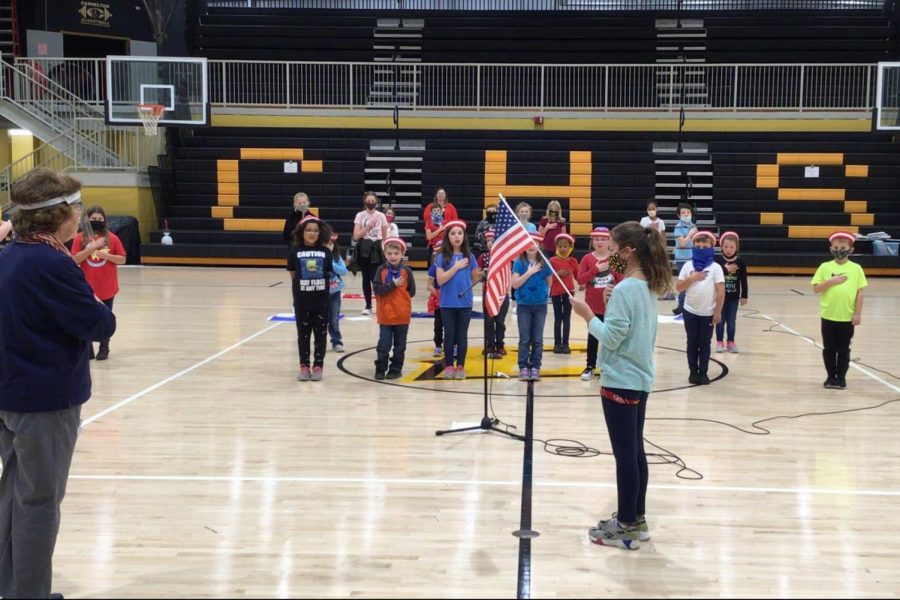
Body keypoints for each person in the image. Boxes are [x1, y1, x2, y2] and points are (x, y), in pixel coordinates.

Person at [0, 168, 116, 598]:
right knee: (38, 504)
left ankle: (10, 585)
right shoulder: (51, 263)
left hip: (11, 393)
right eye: (77, 208)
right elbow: (99, 322)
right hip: (43, 401)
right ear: (59, 215)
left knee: (14, 495)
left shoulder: (10, 254)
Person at [570, 222, 671, 551]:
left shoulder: (627, 289)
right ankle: (636, 517)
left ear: (627, 252)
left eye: (612, 251)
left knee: (625, 456)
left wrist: (587, 315)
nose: (608, 257)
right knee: (635, 452)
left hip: (620, 380)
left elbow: (611, 336)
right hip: (640, 379)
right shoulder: (645, 285)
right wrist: (614, 299)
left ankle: (626, 526)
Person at [811, 231, 867, 389]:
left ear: (851, 249)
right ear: (831, 249)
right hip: (828, 316)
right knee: (829, 349)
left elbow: (860, 292)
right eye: (836, 247)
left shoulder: (856, 269)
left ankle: (841, 378)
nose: (839, 250)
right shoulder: (824, 267)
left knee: (843, 350)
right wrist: (832, 281)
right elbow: (816, 289)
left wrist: (857, 313)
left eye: (843, 247)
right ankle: (830, 377)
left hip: (847, 318)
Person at [70, 206, 126, 360]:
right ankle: (87, 350)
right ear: (88, 220)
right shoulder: (79, 238)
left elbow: (122, 259)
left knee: (104, 318)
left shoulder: (112, 238)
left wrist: (104, 255)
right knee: (85, 318)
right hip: (87, 287)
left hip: (107, 286)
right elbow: (74, 259)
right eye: (93, 219)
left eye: (100, 219)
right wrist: (90, 249)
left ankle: (104, 347)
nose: (97, 222)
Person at [674, 231, 724, 385]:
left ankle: (703, 372)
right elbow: (679, 287)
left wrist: (717, 312)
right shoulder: (688, 266)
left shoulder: (716, 268)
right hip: (690, 312)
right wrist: (692, 278)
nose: (701, 249)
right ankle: (693, 371)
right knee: (692, 342)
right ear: (693, 247)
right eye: (698, 246)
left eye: (705, 247)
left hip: (708, 313)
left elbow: (721, 292)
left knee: (704, 343)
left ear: (711, 248)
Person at [288, 215, 334, 382]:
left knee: (321, 336)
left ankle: (318, 366)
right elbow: (293, 275)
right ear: (302, 232)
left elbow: (328, 273)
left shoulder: (325, 252)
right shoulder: (294, 252)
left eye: (315, 230)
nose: (312, 233)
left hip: (321, 302)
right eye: (308, 230)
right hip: (302, 302)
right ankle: (304, 366)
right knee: (303, 336)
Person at [576, 227, 624, 381]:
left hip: (611, 306)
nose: (599, 242)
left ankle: (608, 367)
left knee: (611, 337)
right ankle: (590, 366)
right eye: (596, 239)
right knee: (593, 337)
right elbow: (580, 280)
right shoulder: (587, 259)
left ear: (609, 241)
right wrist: (595, 270)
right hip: (592, 307)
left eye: (603, 239)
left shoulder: (614, 258)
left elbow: (621, 280)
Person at [435, 220, 480, 380]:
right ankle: (448, 365)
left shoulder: (470, 256)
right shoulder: (442, 257)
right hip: (447, 303)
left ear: (464, 236)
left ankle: (460, 365)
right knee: (449, 334)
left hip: (465, 303)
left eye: (460, 233)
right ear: (448, 236)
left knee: (462, 335)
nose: (457, 236)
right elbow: (440, 280)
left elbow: (475, 278)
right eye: (453, 233)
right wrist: (456, 267)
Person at [512, 233, 553, 382]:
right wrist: (529, 273)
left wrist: (541, 295)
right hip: (524, 305)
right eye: (528, 242)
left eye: (534, 242)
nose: (531, 245)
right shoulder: (519, 262)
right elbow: (515, 284)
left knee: (537, 338)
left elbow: (550, 282)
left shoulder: (545, 262)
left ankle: (535, 366)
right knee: (524, 338)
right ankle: (523, 367)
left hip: (540, 305)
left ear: (539, 244)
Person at [372, 237, 416, 380]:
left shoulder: (407, 271)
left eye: (396, 253)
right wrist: (392, 285)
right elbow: (378, 290)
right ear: (385, 254)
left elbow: (412, 291)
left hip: (402, 316)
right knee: (384, 344)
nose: (393, 256)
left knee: (400, 346)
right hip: (385, 315)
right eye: (389, 253)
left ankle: (396, 369)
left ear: (402, 254)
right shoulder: (381, 270)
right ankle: (380, 368)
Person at [352, 191, 389, 315]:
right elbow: (356, 236)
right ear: (364, 201)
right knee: (366, 278)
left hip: (376, 249)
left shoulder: (381, 216)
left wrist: (385, 249)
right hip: (364, 248)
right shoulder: (360, 215)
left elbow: (385, 236)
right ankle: (368, 305)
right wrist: (367, 227)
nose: (371, 203)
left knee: (376, 278)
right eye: (368, 201)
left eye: (373, 201)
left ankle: (380, 304)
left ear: (376, 202)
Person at [714, 231, 748, 354]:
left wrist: (744, 295)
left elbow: (743, 280)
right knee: (720, 320)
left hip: (733, 298)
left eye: (732, 247)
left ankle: (731, 342)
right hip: (719, 297)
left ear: (736, 248)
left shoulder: (741, 263)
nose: (728, 250)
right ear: (722, 247)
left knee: (731, 321)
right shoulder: (717, 261)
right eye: (726, 247)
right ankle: (719, 342)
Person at [477, 229, 508, 358]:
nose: (490, 243)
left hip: (502, 291)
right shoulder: (483, 257)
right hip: (488, 292)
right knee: (488, 321)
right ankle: (489, 344)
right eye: (488, 240)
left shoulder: (504, 256)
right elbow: (477, 274)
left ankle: (500, 344)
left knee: (500, 321)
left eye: (492, 240)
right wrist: (484, 272)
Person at [549, 232, 577, 354]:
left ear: (570, 247)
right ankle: (557, 343)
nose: (563, 248)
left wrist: (584, 283)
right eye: (560, 246)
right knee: (557, 319)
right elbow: (548, 277)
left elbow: (578, 276)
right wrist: (557, 274)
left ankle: (565, 344)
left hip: (568, 293)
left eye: (565, 246)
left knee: (566, 319)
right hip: (555, 293)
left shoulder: (573, 261)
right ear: (556, 247)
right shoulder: (552, 260)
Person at [672, 203, 698, 317]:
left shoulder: (694, 227)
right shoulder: (678, 227)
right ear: (679, 215)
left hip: (692, 258)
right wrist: (690, 234)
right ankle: (681, 307)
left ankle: (689, 306)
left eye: (688, 213)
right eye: (683, 213)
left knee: (692, 283)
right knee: (683, 283)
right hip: (682, 259)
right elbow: (682, 243)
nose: (686, 215)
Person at [326, 233, 347, 353]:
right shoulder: (319, 257)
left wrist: (331, 263)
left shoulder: (337, 258)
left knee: (334, 319)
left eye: (330, 244)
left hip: (334, 292)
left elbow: (344, 271)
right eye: (326, 244)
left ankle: (336, 341)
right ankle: (320, 341)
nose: (328, 246)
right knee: (321, 320)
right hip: (320, 293)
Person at [423, 188, 458, 258]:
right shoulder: (430, 206)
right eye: (439, 193)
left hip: (447, 240)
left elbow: (455, 220)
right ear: (436, 195)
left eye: (442, 193)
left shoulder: (450, 206)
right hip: (434, 241)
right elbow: (426, 217)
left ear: (445, 195)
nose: (441, 195)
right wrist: (438, 226)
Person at [426, 240, 445, 358]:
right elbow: (429, 286)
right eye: (438, 252)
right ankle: (438, 345)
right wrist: (438, 294)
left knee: (451, 324)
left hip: (450, 298)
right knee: (439, 323)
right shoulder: (434, 268)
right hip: (439, 299)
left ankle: (453, 344)